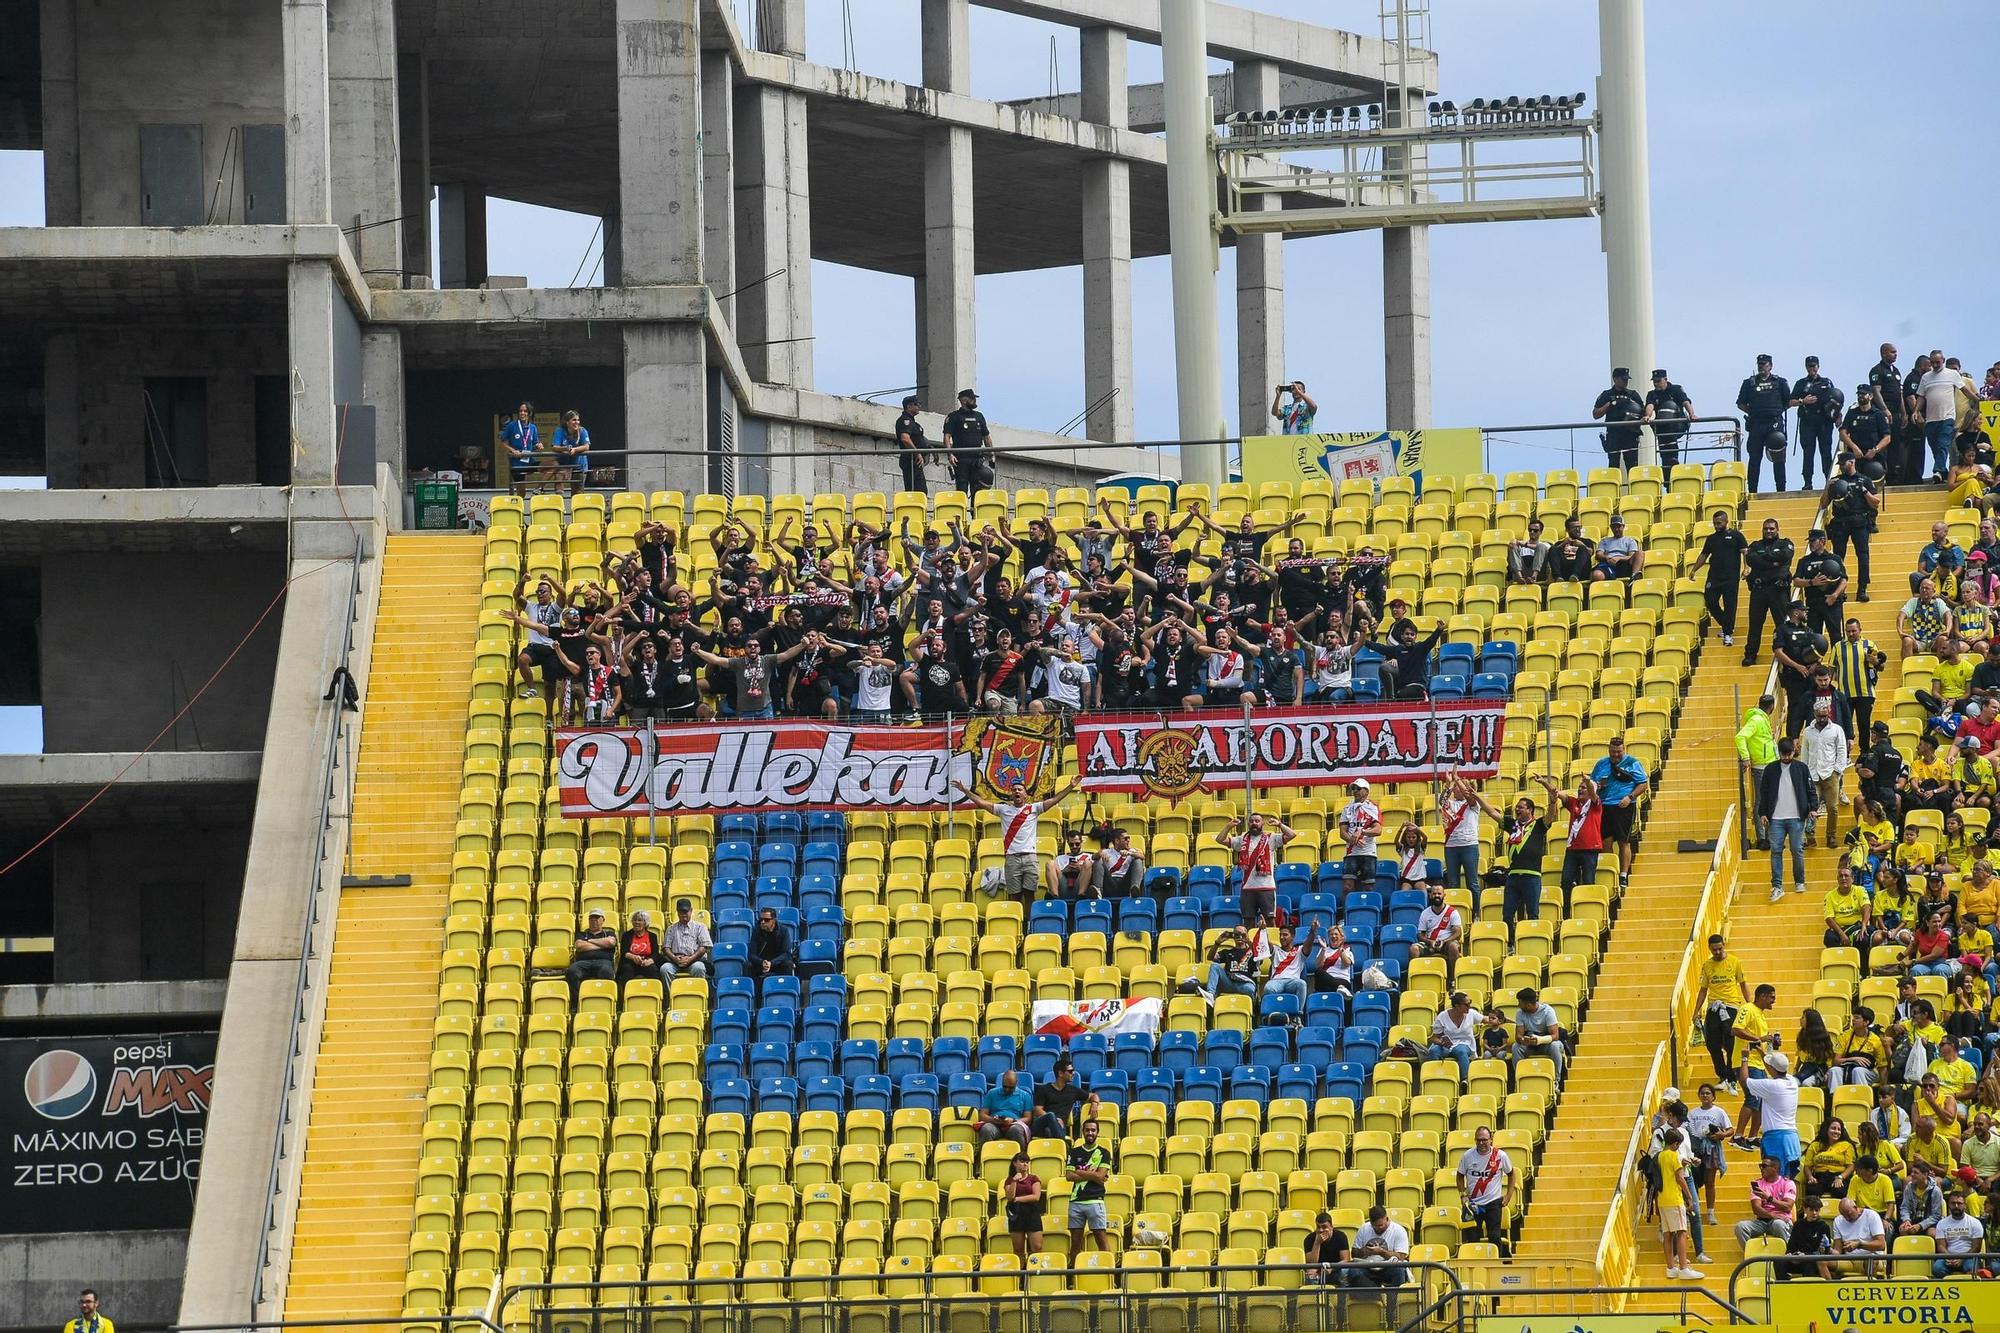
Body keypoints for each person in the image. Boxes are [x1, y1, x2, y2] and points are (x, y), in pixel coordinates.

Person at [952, 775, 1082, 908]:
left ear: (1026, 795)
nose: (1017, 791)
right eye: (1014, 790)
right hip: (1012, 858)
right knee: (1015, 896)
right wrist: (965, 790)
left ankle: (1030, 925)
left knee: (1030, 894)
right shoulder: (1003, 810)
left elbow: (1054, 799)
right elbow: (982, 803)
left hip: (1030, 857)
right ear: (1011, 795)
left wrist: (1070, 786)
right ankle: (1017, 924)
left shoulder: (1034, 809)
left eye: (1020, 789)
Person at [1758, 736, 1818, 903]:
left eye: (1788, 754)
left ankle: (1799, 881)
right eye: (1783, 754)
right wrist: (1763, 812)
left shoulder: (1802, 768)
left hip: (1796, 816)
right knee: (1775, 851)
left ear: (1793, 752)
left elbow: (1811, 790)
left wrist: (1812, 808)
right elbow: (1764, 793)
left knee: (1796, 850)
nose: (1785, 757)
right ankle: (1777, 885)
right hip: (1775, 817)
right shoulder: (1770, 769)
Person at [1590, 735, 1649, 889]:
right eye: (1613, 752)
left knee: (1624, 841)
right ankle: (1612, 870)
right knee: (1606, 841)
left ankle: (1623, 874)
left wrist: (1630, 797)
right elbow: (1592, 784)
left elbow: (1643, 784)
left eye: (1619, 752)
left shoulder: (1633, 763)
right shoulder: (1601, 764)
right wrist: (1598, 786)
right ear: (1609, 751)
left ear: (1624, 750)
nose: (1616, 755)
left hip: (1623, 806)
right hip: (1604, 806)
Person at [1823, 455, 1881, 603]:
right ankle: (1839, 589)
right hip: (1840, 523)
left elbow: (1875, 503)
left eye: (1844, 463)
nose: (1842, 466)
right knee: (1838, 558)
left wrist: (1864, 491)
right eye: (1840, 464)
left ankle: (1862, 589)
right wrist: (1827, 487)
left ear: (1852, 462)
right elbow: (1824, 504)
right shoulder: (1837, 481)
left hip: (1859, 522)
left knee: (1863, 556)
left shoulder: (1864, 480)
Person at [1223, 810, 1296, 926]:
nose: (1254, 823)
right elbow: (1220, 839)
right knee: (1248, 921)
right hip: (1247, 887)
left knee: (1270, 920)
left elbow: (1292, 835)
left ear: (1262, 824)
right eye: (1251, 821)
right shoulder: (1242, 839)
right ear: (1248, 824)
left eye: (1257, 821)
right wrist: (1228, 826)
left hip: (1266, 887)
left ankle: (1272, 943)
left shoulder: (1270, 838)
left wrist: (1279, 825)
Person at [1695, 934, 1749, 1090]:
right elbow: (1703, 990)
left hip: (1731, 1006)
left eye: (1719, 949)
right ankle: (1723, 1075)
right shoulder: (1707, 965)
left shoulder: (1734, 962)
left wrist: (1749, 1004)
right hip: (1713, 1007)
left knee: (1731, 1043)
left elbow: (1743, 984)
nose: (1717, 952)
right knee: (1712, 1044)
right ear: (1709, 949)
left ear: (1724, 945)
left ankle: (1732, 1077)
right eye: (1714, 950)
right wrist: (1696, 1011)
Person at [1742, 518, 1797, 665]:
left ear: (1777, 530)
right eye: (1766, 528)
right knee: (1755, 624)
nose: (1769, 531)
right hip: (1759, 589)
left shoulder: (1785, 543)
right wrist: (1774, 562)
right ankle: (1750, 654)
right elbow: (1751, 559)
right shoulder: (1755, 545)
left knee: (1782, 623)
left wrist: (1764, 558)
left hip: (1778, 590)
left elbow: (1786, 556)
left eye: (1772, 528)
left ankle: (1787, 652)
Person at [1691, 510, 1748, 646]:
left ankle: (1727, 633)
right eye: (1714, 523)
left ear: (1726, 521)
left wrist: (1746, 567)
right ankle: (1727, 625)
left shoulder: (1736, 535)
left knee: (1730, 605)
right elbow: (1704, 555)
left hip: (1730, 577)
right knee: (1710, 600)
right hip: (1714, 576)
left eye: (1719, 523)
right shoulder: (1711, 538)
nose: (1716, 526)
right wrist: (1694, 570)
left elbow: (1745, 552)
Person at [1737, 353, 1793, 493]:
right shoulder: (1749, 383)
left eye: (1764, 364)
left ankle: (1781, 489)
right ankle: (1753, 490)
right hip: (1756, 424)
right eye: (1760, 364)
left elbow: (1788, 401)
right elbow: (1741, 403)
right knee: (1755, 458)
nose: (1762, 367)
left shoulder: (1780, 382)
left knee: (1778, 457)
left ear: (1770, 366)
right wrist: (1753, 412)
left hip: (1774, 423)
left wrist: (1776, 411)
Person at [1457, 1124, 1515, 1256]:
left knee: (1494, 1237)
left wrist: (1508, 1195)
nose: (1482, 1143)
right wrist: (1463, 1195)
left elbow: (1512, 1174)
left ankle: (1497, 1267)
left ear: (1491, 1139)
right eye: (1479, 1140)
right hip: (1473, 1204)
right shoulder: (1467, 1156)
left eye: (1484, 1139)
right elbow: (1459, 1176)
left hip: (1493, 1203)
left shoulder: (1500, 1156)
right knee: (1472, 1240)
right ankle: (1475, 1270)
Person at [1801, 699, 1850, 849]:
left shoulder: (1836, 729)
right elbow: (1805, 752)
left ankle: (1831, 836)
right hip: (1813, 774)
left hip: (1831, 773)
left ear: (1829, 714)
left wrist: (1837, 770)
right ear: (1814, 714)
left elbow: (1842, 750)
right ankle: (1810, 837)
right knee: (1811, 807)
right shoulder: (1808, 732)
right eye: (1819, 716)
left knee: (1832, 808)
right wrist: (1805, 772)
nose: (1822, 719)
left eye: (1825, 716)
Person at [1747, 1049, 1804, 1179]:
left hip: (1776, 1138)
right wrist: (1762, 1054)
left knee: (1775, 1179)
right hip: (1791, 1136)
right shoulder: (1792, 1081)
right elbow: (1774, 1070)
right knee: (1786, 1180)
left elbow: (1745, 1081)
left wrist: (1745, 1059)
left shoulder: (1772, 1086)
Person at [1655, 1126, 1702, 1279]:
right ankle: (1683, 1267)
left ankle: (1670, 1267)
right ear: (1675, 1144)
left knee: (1668, 1234)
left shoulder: (1660, 1156)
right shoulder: (1674, 1155)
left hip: (1662, 1200)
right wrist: (1689, 1197)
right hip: (1674, 1198)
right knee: (1682, 1232)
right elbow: (1680, 1178)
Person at [1791, 355, 1843, 490]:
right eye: (1809, 366)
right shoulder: (1801, 383)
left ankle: (1829, 481)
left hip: (1824, 422)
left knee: (1826, 452)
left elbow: (1836, 400)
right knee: (1808, 453)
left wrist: (1838, 417)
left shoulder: (1827, 382)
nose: (1812, 368)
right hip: (1807, 422)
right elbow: (1790, 402)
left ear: (1818, 366)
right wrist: (1803, 401)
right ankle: (1807, 482)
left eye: (1814, 366)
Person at [1065, 1119, 1115, 1254]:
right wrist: (1094, 1175)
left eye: (1093, 1130)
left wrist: (1079, 1171)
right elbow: (1069, 1176)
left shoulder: (1104, 1153)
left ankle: (1109, 1272)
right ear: (1083, 1132)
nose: (1090, 1133)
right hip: (1076, 1201)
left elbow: (1100, 1176)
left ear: (1098, 1133)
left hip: (1095, 1201)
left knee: (1101, 1240)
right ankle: (1074, 1275)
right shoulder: (1074, 1152)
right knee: (1075, 1242)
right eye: (1087, 1130)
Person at [1829, 619, 1881, 744]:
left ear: (1860, 630)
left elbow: (1881, 667)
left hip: (1865, 692)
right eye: (1848, 631)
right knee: (1843, 724)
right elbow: (1831, 668)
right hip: (1844, 694)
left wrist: (1876, 662)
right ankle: (1844, 753)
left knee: (1864, 724)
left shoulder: (1869, 644)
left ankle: (1864, 752)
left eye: (1853, 631)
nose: (1851, 634)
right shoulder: (1837, 646)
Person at [1736, 694, 1778, 846]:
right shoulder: (1758, 719)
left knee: (1769, 801)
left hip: (1769, 764)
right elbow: (1740, 737)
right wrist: (1745, 757)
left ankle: (1769, 836)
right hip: (1762, 766)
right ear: (1772, 706)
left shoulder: (1761, 718)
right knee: (1762, 801)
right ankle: (1762, 837)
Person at [1794, 529, 1848, 642]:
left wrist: (1835, 595)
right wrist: (1811, 582)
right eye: (1810, 541)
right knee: (1813, 638)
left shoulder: (1835, 558)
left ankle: (1837, 660)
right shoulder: (1804, 561)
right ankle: (1815, 660)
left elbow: (1844, 580)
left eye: (1813, 541)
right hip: (1813, 603)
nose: (1810, 544)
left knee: (1836, 636)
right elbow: (1796, 581)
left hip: (1831, 602)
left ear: (1823, 541)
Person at [1734, 1155, 1797, 1249]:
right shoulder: (1758, 1184)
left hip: (1782, 1221)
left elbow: (1788, 1206)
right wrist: (1772, 1215)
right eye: (1760, 1166)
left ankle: (1788, 1255)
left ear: (1774, 1168)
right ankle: (1752, 1256)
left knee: (1778, 1224)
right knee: (1740, 1227)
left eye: (1764, 1166)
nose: (1761, 1168)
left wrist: (1768, 1198)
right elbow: (1756, 1209)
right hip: (1762, 1221)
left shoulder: (1787, 1183)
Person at [1919, 356, 1964, 480]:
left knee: (1943, 444)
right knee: (1935, 447)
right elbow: (1921, 396)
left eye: (1937, 362)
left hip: (1947, 417)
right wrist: (1916, 411)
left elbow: (1965, 390)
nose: (1935, 364)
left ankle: (1937, 470)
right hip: (1931, 419)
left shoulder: (1952, 374)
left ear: (1943, 361)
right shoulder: (1925, 377)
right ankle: (1942, 473)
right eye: (1932, 362)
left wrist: (1977, 400)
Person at [1334, 781, 1382, 896]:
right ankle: (1346, 912)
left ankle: (1368, 911)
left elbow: (1378, 830)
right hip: (1351, 853)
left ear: (1366, 791)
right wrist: (1352, 840)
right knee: (1347, 887)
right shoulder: (1347, 809)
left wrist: (1362, 832)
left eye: (1358, 788)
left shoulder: (1373, 808)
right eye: (1353, 789)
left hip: (1368, 852)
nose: (1354, 791)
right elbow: (1342, 832)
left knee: (1369, 887)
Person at [1592, 367, 1645, 469]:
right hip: (1614, 433)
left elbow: (1642, 411)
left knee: (1632, 465)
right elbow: (1595, 414)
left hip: (1631, 433)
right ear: (1615, 379)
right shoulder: (1606, 395)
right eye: (1623, 379)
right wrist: (1608, 405)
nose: (1626, 382)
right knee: (1613, 464)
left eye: (1626, 379)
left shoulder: (1633, 395)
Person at [1841, 382, 1895, 482]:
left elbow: (1887, 437)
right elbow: (1843, 433)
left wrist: (1875, 450)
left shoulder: (1877, 414)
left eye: (1863, 394)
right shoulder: (1852, 413)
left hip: (1873, 457)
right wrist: (1854, 447)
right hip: (1855, 456)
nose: (1860, 396)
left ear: (1870, 396)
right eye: (1859, 394)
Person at [1350, 1205, 1410, 1293]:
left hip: (1389, 1266)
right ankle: (1377, 1294)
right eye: (1374, 1226)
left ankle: (1392, 1303)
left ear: (1387, 1219)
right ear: (1370, 1222)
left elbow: (1401, 1256)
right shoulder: (1364, 1228)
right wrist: (1364, 1251)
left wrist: (1381, 1252)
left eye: (1380, 1225)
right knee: (1353, 1272)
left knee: (1399, 1270)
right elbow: (1354, 1253)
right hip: (1367, 1266)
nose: (1378, 1228)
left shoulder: (1398, 1230)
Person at [1642, 368, 1694, 470]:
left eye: (1658, 381)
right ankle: (1668, 469)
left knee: (1668, 413)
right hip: (1662, 426)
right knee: (1663, 442)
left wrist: (1692, 414)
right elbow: (1650, 405)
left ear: (1665, 379)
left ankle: (1673, 458)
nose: (1656, 384)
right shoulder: (1652, 394)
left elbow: (1685, 402)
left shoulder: (1675, 389)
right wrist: (1647, 416)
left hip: (1677, 423)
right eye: (1654, 381)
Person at [563, 907, 618, 1001]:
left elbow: (610, 943)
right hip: (583, 962)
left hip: (603, 962)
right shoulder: (581, 934)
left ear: (603, 920)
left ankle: (603, 1000)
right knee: (572, 971)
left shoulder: (609, 933)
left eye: (596, 919)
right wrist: (602, 945)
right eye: (591, 919)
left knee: (606, 971)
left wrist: (590, 941)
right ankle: (576, 1003)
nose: (593, 921)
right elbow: (579, 946)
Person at [1826, 1195, 1886, 1276]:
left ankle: (1869, 1286)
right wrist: (1829, 1250)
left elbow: (1881, 1245)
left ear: (1855, 1207)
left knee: (1871, 1261)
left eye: (1849, 1214)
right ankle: (1830, 1287)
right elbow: (1838, 1250)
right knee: (1822, 1262)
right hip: (1849, 1260)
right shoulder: (1838, 1221)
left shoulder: (1871, 1215)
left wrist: (1859, 1244)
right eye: (1844, 1216)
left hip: (1871, 1257)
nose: (1847, 1218)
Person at [1002, 1153, 1045, 1261]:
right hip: (1016, 1214)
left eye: (1027, 1162)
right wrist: (1014, 1182)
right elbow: (1010, 1197)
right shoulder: (1009, 1180)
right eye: (1022, 1161)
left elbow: (1036, 1196)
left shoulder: (1033, 1178)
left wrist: (1018, 1199)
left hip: (1032, 1213)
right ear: (1015, 1163)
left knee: (1037, 1247)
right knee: (1018, 1249)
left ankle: (1034, 1271)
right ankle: (1020, 1275)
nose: (1025, 1164)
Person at [1513, 987, 1566, 1074]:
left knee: (1555, 1046)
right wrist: (1524, 1040)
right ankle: (1520, 1078)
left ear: (1528, 1005)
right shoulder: (1520, 1013)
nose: (1518, 1005)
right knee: (1516, 1047)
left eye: (1520, 1002)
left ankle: (1556, 1080)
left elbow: (1555, 1036)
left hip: (1547, 1044)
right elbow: (1518, 1036)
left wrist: (1540, 1040)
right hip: (1530, 1044)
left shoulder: (1548, 1011)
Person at [1428, 991, 1478, 1082]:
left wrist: (1505, 1020)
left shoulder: (1471, 1013)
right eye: (1466, 1004)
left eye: (1470, 1003)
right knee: (1433, 1051)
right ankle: (1435, 1076)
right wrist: (1441, 1042)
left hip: (1464, 1043)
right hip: (1446, 1045)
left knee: (1461, 1051)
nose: (1469, 1006)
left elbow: (1487, 1019)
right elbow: (1434, 1037)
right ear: (1457, 1006)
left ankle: (1466, 1080)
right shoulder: (1442, 1016)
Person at [1933, 1190, 1986, 1275]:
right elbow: (1940, 1245)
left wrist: (1962, 1259)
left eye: (1959, 1203)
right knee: (1937, 1268)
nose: (1956, 1206)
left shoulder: (1975, 1222)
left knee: (1971, 1268)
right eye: (1953, 1203)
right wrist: (1950, 1258)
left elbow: (1976, 1247)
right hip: (1948, 1256)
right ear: (1948, 1204)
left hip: (1969, 1257)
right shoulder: (1941, 1223)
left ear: (1965, 1205)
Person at [660, 898, 712, 980]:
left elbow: (704, 947)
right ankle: (671, 993)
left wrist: (690, 959)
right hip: (675, 961)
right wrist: (674, 958)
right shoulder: (671, 928)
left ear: (691, 911)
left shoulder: (700, 927)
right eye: (681, 912)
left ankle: (698, 992)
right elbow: (666, 948)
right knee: (665, 969)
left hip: (694, 960)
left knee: (699, 967)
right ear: (677, 912)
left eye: (686, 912)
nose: (684, 914)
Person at [978, 1069, 1033, 1147]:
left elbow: (1028, 1118)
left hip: (1014, 1124)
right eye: (1005, 1086)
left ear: (1016, 1082)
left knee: (1017, 1130)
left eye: (1011, 1088)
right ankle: (984, 1157)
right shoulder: (992, 1093)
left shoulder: (1025, 1095)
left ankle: (1021, 1157)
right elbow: (982, 1115)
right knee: (987, 1129)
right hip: (994, 1124)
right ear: (1002, 1082)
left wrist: (1013, 1120)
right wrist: (993, 1120)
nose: (1007, 1090)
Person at [1414, 885, 1464, 970]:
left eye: (1439, 893)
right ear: (1430, 895)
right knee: (1413, 949)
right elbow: (1420, 935)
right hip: (1430, 944)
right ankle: (1415, 977)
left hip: (1447, 943)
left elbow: (1458, 933)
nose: (1437, 896)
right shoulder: (1425, 913)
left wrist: (1444, 941)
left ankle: (1453, 979)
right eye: (1434, 893)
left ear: (1444, 895)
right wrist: (1430, 942)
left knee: (1453, 946)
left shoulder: (1452, 912)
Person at [748, 907, 794, 993]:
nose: (763, 922)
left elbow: (786, 953)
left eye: (766, 920)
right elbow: (751, 954)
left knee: (788, 964)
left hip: (777, 962)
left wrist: (771, 963)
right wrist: (762, 962)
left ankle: (786, 992)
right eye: (761, 919)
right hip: (762, 962)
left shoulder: (783, 931)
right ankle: (753, 996)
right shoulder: (756, 931)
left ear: (773, 920)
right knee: (747, 965)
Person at [894, 395, 933, 494]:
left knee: (921, 490)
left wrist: (930, 448)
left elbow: (919, 438)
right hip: (910, 460)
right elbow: (905, 438)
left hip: (916, 461)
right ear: (909, 406)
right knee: (916, 491)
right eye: (917, 404)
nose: (919, 406)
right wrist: (917, 453)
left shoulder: (913, 423)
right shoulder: (905, 420)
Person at [1094, 826, 1147, 900]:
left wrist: (1130, 853)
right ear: (1117, 841)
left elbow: (1142, 856)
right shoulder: (1107, 851)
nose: (1128, 840)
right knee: (1097, 861)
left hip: (1125, 883)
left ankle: (1135, 889)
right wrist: (1099, 854)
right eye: (1125, 839)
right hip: (1110, 882)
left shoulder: (1132, 851)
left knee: (1138, 860)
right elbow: (1092, 858)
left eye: (1129, 838)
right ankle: (1098, 891)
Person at [1048, 828, 1100, 901]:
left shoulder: (1088, 856)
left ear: (1081, 842)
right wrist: (1064, 870)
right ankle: (1054, 896)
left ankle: (1081, 895)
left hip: (1080, 884)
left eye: (1077, 844)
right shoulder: (1060, 858)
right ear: (1068, 843)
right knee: (1050, 863)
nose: (1074, 846)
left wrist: (1080, 869)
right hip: (1064, 885)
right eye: (1071, 844)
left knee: (1087, 863)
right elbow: (1056, 875)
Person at [1305, 1211, 1352, 1286]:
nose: (1321, 1230)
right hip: (1319, 1272)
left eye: (1324, 1227)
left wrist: (1331, 1268)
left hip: (1336, 1270)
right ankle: (1315, 1297)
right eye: (1318, 1227)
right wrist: (1317, 1243)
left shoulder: (1340, 1236)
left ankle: (1342, 1297)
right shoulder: (1309, 1239)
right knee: (1310, 1273)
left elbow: (1346, 1260)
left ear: (1331, 1227)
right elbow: (1311, 1263)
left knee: (1345, 1271)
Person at [617, 909, 664, 985]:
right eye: (634, 920)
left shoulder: (652, 936)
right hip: (631, 962)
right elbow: (624, 952)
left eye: (640, 920)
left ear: (646, 923)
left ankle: (654, 993)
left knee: (653, 969)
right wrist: (633, 957)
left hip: (646, 962)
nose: (636, 922)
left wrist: (649, 961)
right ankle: (626, 994)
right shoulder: (626, 935)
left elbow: (655, 953)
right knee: (627, 969)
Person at [1592, 514, 1644, 581]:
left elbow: (1631, 556)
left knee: (1640, 553)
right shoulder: (1604, 541)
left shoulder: (1630, 541)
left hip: (1624, 564)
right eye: (1614, 527)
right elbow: (1599, 554)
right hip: (1608, 564)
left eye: (1619, 526)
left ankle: (1634, 577)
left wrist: (1618, 558)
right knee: (1597, 575)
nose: (1616, 529)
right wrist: (1607, 558)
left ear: (1623, 526)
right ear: (1611, 527)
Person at [550, 409, 591, 480]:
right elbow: (554, 447)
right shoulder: (559, 430)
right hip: (563, 464)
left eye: (578, 420)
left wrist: (575, 450)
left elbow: (586, 446)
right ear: (567, 422)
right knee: (558, 479)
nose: (577, 422)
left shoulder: (582, 430)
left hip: (579, 466)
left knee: (577, 490)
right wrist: (566, 448)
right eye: (574, 420)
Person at [1507, 518, 1551, 584]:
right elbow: (1512, 547)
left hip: (1539, 573)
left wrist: (1525, 545)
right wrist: (1513, 542)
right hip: (1522, 570)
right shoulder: (1520, 544)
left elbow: (1541, 548)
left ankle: (1534, 577)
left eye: (1535, 530)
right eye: (1530, 530)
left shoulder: (1545, 545)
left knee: (1541, 546)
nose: (1532, 532)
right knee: (1513, 547)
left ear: (1541, 532)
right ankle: (1520, 578)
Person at [500, 400, 540, 472]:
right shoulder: (512, 425)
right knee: (520, 483)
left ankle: (541, 484)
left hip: (530, 461)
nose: (522, 413)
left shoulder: (533, 427)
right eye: (520, 411)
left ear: (529, 413)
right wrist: (513, 450)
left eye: (525, 411)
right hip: (517, 464)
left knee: (552, 465)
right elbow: (502, 442)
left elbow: (534, 445)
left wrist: (538, 445)